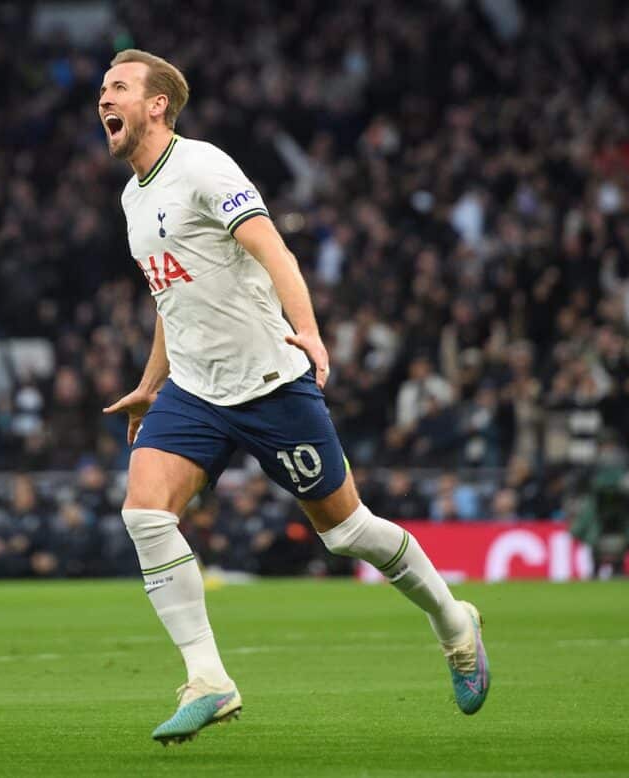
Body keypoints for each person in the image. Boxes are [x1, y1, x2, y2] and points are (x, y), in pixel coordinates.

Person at [98, 49, 490, 745]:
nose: (105, 99)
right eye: (103, 89)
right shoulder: (132, 197)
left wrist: (306, 331)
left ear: (157, 104)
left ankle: (454, 623)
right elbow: (170, 294)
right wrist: (151, 382)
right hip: (194, 390)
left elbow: (276, 250)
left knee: (345, 532)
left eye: (119, 88)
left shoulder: (205, 168)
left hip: (270, 382)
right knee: (144, 513)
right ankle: (208, 680)